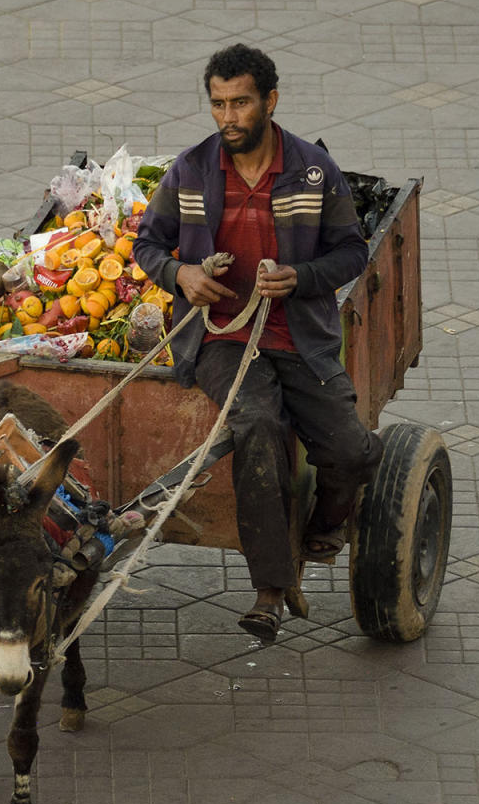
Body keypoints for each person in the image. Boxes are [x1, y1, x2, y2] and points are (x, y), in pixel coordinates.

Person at [133, 43, 382, 644]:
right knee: (259, 429)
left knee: (350, 450)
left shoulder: (313, 172)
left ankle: (322, 523)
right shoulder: (190, 171)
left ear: (270, 101)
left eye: (241, 102)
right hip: (219, 339)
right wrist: (181, 276)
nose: (228, 117)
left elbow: (351, 251)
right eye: (218, 104)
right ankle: (270, 588)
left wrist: (302, 279)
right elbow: (147, 242)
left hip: (300, 336)